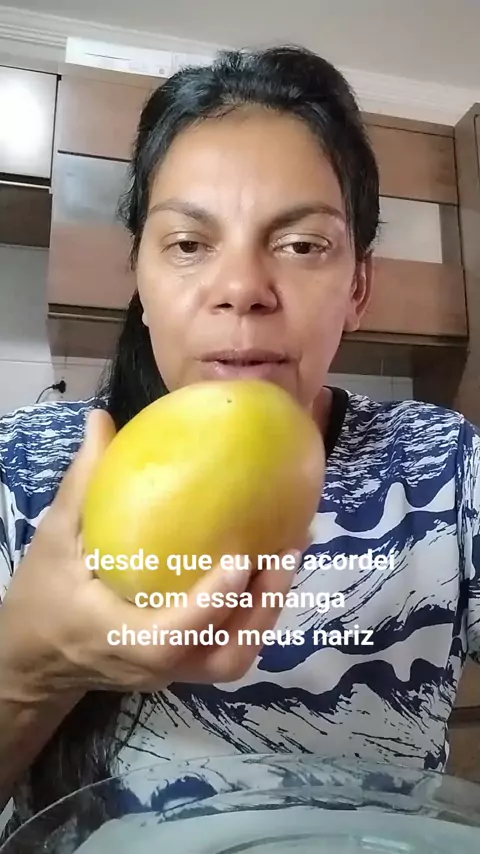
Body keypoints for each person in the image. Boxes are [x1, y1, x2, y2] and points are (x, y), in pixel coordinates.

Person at [0, 43, 479, 847]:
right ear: (139, 279)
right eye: (189, 244)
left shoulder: (444, 470)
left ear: (358, 288)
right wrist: (28, 670)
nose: (242, 289)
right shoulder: (24, 468)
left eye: (302, 245)